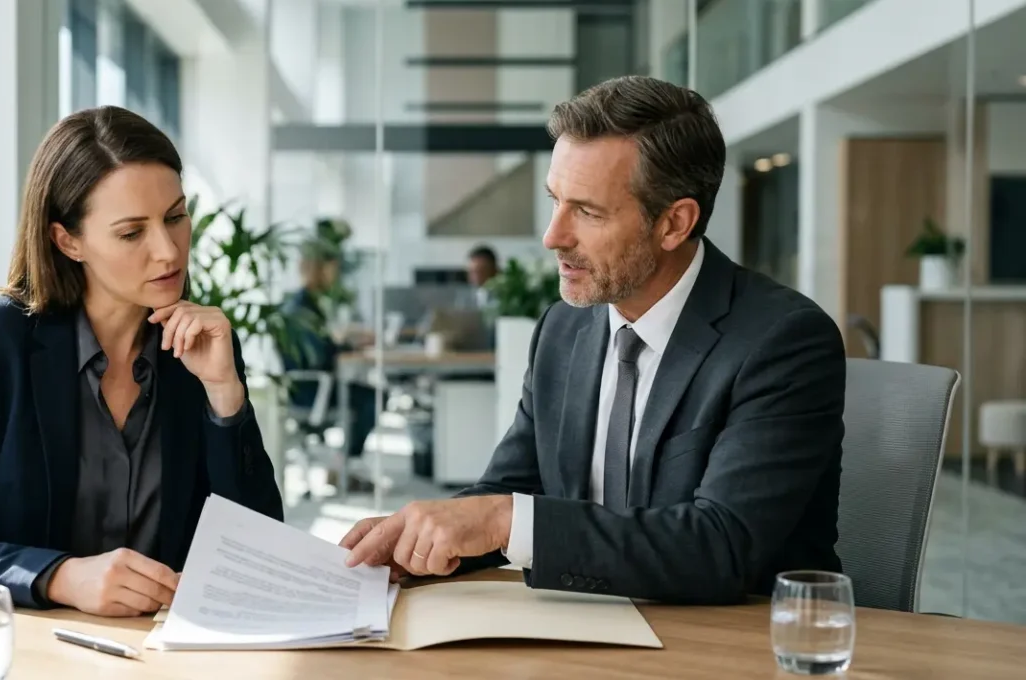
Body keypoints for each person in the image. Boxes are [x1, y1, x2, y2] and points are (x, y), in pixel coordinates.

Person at [340, 75, 846, 605]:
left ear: (674, 223)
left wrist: (501, 518)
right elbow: (513, 490)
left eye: (586, 211)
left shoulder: (782, 341)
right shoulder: (565, 328)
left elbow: (721, 546)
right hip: (587, 627)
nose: (552, 236)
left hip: (735, 645)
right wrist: (419, 539)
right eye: (555, 200)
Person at [0, 106, 282, 630]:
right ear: (68, 241)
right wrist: (60, 576)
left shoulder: (196, 351)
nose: (168, 251)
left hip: (131, 657)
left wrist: (225, 393)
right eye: (132, 232)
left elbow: (258, 552)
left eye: (175, 217)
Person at [280, 243, 376, 488]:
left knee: (367, 394)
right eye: (332, 269)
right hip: (311, 389)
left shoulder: (306, 303)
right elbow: (318, 356)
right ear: (318, 270)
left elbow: (320, 346)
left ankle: (342, 466)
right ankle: (344, 465)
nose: (335, 276)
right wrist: (343, 344)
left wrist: (343, 342)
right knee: (372, 398)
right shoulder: (301, 308)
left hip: (307, 384)